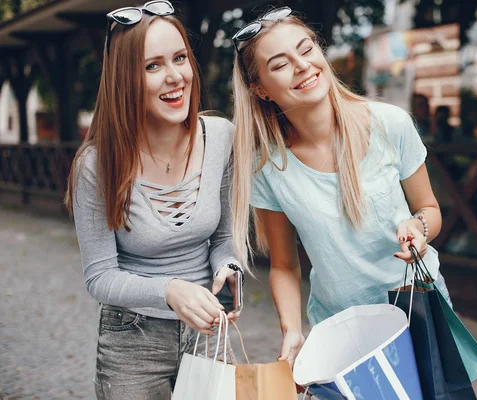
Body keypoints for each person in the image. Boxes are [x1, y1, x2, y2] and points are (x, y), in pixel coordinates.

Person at [229, 7, 452, 368]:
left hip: (416, 310)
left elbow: (430, 209)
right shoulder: (267, 167)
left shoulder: (389, 124)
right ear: (260, 89)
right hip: (341, 331)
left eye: (306, 49)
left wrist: (419, 228)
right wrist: (291, 329)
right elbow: (284, 266)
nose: (302, 66)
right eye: (280, 64)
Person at [64, 2, 241, 398]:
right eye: (153, 66)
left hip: (207, 331)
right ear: (126, 78)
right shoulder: (96, 165)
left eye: (179, 58)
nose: (175, 76)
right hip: (132, 340)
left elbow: (223, 238)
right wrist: (170, 291)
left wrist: (228, 267)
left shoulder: (220, 138)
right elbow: (99, 277)